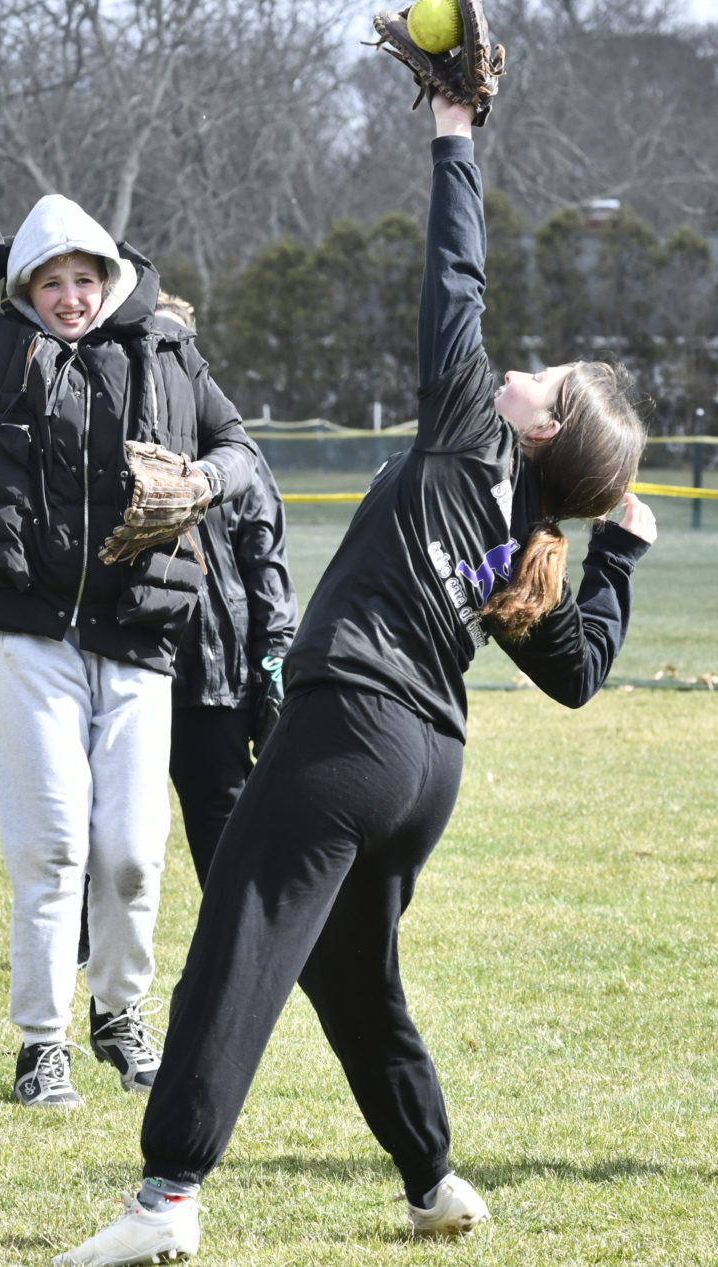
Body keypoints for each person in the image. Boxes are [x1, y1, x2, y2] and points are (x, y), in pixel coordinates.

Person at [57, 92, 653, 1267]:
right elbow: (577, 673)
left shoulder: (468, 438)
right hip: (424, 767)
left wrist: (451, 136)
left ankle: (167, 1196)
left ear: (538, 432)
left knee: (236, 940)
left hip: (349, 735)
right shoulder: (519, 540)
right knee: (345, 970)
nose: (526, 368)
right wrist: (621, 555)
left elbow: (455, 278)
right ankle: (431, 1179)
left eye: (552, 381)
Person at [0, 196, 261, 1110]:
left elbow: (241, 448)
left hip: (137, 636)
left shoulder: (168, 352)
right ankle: (40, 1042)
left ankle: (120, 1015)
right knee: (51, 847)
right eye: (49, 279)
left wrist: (207, 478)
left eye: (85, 275)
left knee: (133, 854)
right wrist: (26, 238)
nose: (68, 294)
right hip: (31, 630)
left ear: (113, 279)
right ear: (24, 286)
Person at [154, 294, 295, 884]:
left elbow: (265, 558)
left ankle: (238, 938)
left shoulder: (233, 451)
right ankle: (83, 938)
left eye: (178, 344)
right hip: (134, 653)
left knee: (218, 809)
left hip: (214, 661)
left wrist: (275, 653)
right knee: (100, 811)